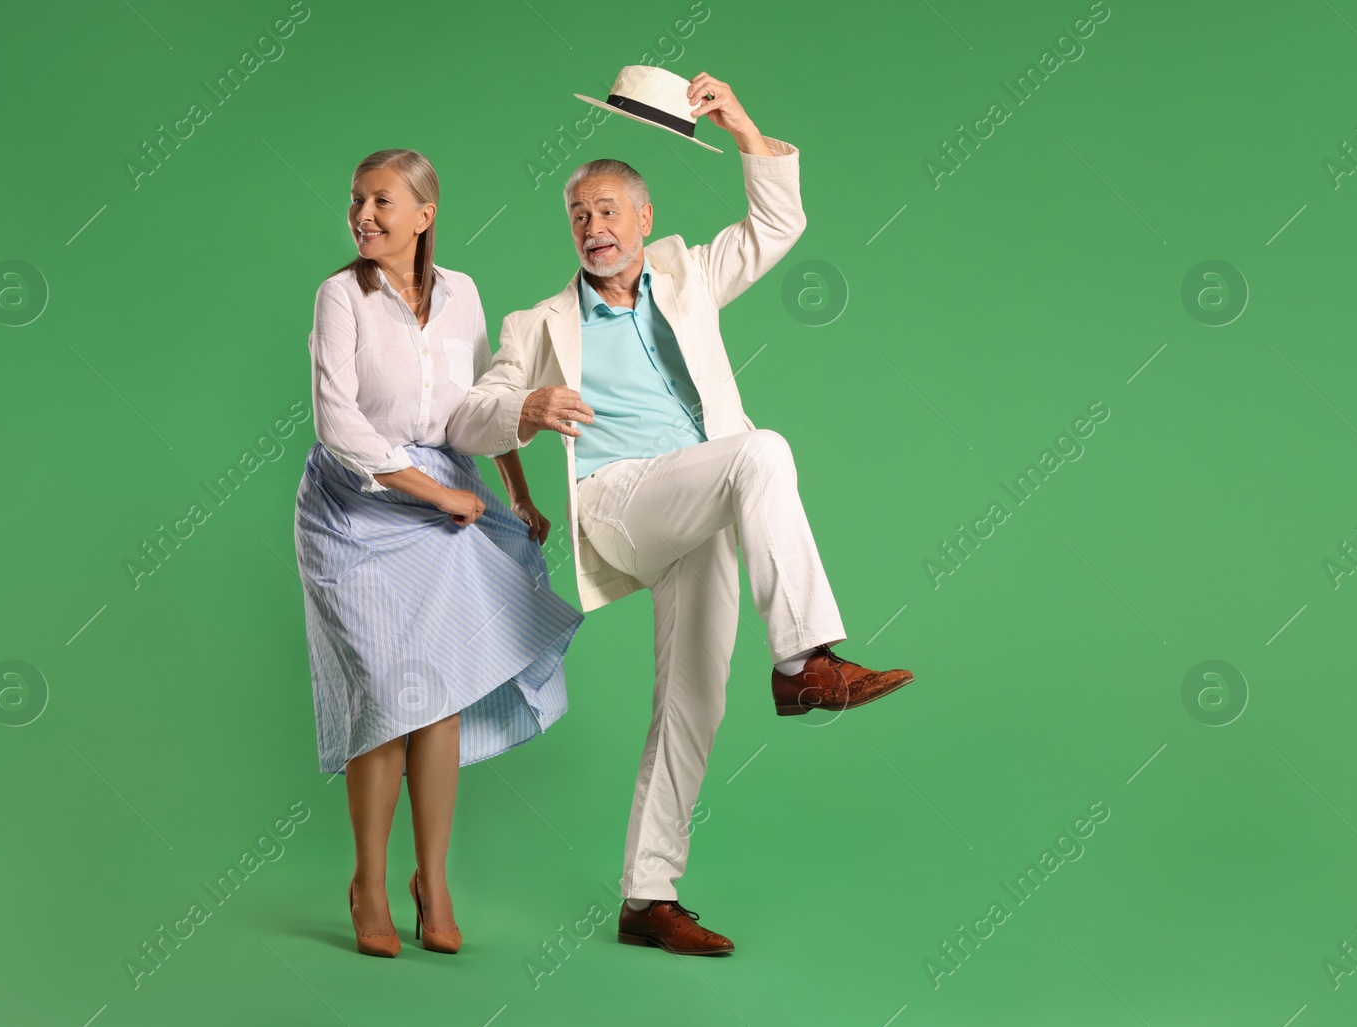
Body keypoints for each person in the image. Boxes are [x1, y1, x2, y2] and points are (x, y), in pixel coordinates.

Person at [446, 72, 916, 955]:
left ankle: (645, 899)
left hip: (700, 491)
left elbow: (779, 225)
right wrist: (527, 406)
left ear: (645, 221)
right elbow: (464, 417)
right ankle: (805, 663)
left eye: (611, 211)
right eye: (580, 214)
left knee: (692, 698)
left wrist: (742, 123)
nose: (595, 228)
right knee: (764, 448)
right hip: (621, 500)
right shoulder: (537, 324)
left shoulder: (686, 275)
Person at [293, 148, 583, 958]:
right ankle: (369, 885)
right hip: (354, 511)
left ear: (425, 213)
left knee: (441, 689)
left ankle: (434, 880)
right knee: (386, 692)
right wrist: (437, 493)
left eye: (381, 201)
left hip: (445, 498)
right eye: (355, 201)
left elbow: (478, 409)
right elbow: (337, 423)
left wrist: (514, 488)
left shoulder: (463, 298)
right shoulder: (338, 297)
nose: (363, 216)